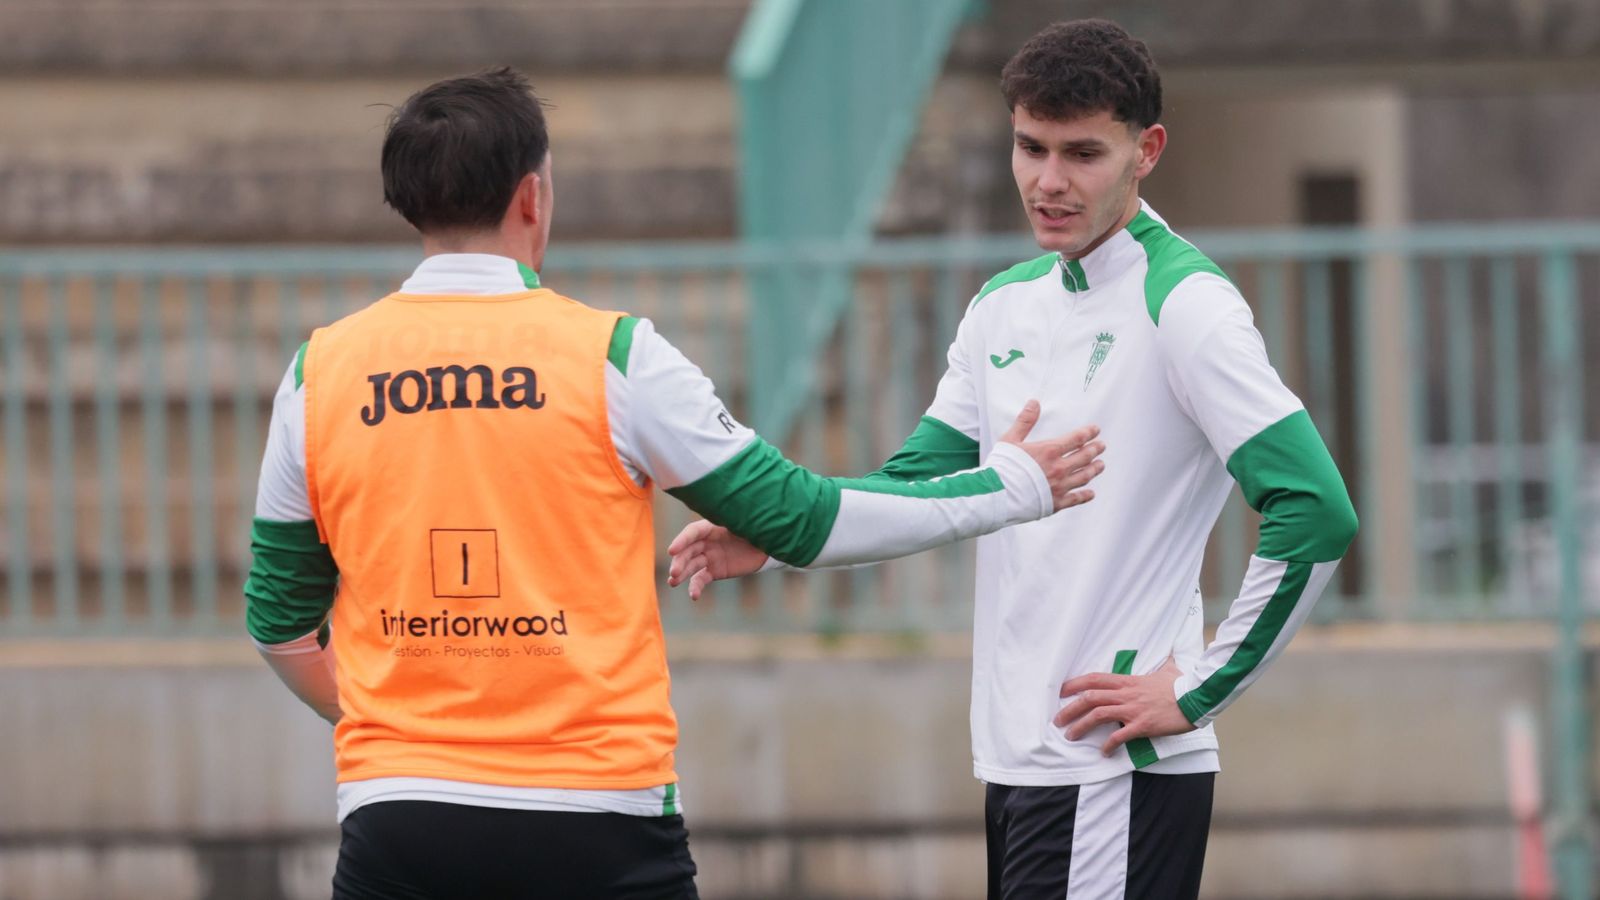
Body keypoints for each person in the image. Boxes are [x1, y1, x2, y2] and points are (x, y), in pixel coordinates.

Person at [243, 66, 1107, 899]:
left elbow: (281, 624)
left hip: (398, 815)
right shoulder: (612, 357)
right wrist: (1015, 487)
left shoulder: (320, 373)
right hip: (595, 816)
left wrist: (402, 728)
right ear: (532, 197)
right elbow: (806, 519)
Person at [668, 19, 1358, 899]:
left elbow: (1317, 509)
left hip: (1113, 771)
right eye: (1030, 147)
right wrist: (778, 536)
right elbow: (914, 488)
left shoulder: (1186, 303)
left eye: (1082, 154)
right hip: (1020, 763)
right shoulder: (1001, 306)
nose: (1049, 181)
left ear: (1146, 151)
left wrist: (1195, 690)